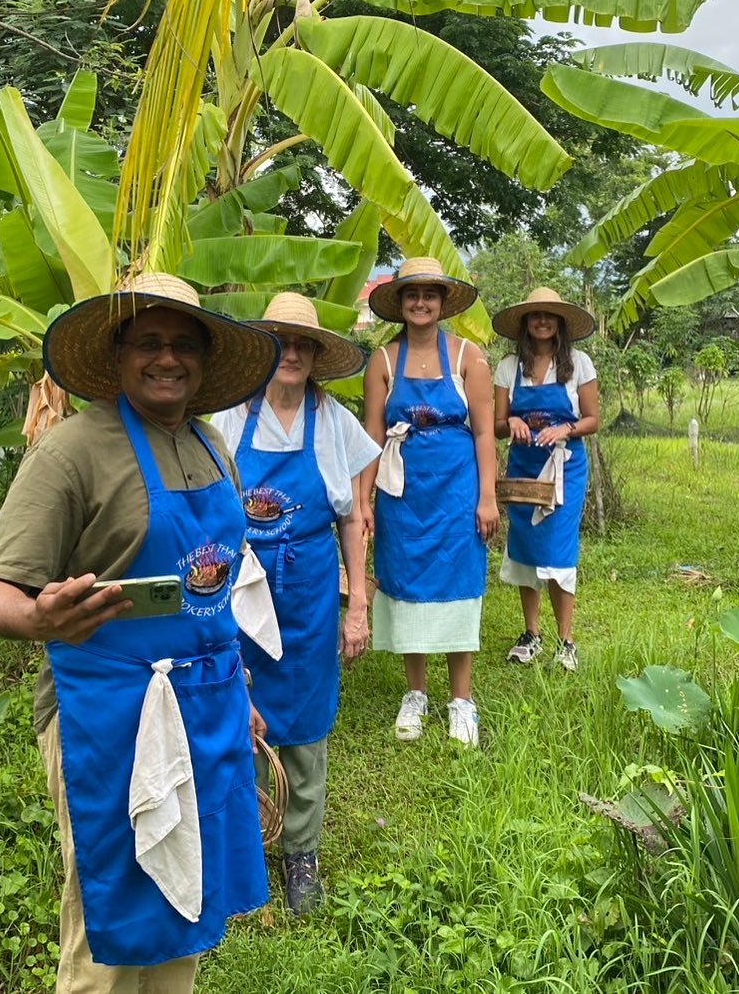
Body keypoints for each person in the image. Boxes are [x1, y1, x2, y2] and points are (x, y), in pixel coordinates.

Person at [0, 273, 282, 993]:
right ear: (116, 356)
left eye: (182, 344)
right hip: (104, 717)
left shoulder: (213, 447)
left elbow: (217, 590)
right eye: (148, 342)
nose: (166, 358)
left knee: (184, 899)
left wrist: (241, 693)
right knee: (111, 917)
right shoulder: (73, 451)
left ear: (203, 361)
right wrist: (37, 616)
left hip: (205, 708)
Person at [210, 292, 379, 916]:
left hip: (309, 589)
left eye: (304, 344)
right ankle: (249, 845)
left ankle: (300, 853)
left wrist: (356, 604)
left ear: (315, 357)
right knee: (237, 710)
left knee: (306, 722)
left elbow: (352, 520)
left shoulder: (332, 420)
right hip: (241, 588)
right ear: (266, 351)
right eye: (281, 342)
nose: (293, 354)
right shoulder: (229, 418)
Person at [360, 257, 499, 747]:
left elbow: (485, 433)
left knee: (460, 584)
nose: (421, 303)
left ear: (442, 304)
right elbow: (372, 436)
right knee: (404, 585)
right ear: (399, 304)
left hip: (457, 490)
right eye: (412, 295)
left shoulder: (469, 357)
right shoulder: (382, 361)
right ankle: (415, 693)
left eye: (430, 295)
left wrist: (487, 498)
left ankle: (461, 700)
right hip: (402, 494)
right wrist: (364, 501)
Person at [492, 287, 598, 671]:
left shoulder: (579, 363)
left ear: (560, 323)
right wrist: (513, 422)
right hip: (523, 468)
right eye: (535, 315)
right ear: (525, 323)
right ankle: (531, 633)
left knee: (558, 550)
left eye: (549, 316)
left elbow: (592, 419)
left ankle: (566, 640)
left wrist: (566, 429)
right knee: (524, 550)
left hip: (564, 468)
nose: (542, 321)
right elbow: (497, 425)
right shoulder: (508, 367)